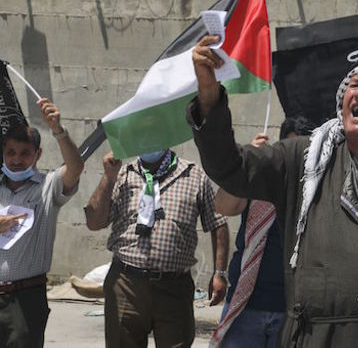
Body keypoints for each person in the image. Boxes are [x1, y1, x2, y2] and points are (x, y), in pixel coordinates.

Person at [189, 38, 358, 347]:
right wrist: (209, 96)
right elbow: (230, 167)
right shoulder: (300, 159)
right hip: (310, 337)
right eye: (353, 84)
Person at [84, 148, 230, 348]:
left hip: (174, 287)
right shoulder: (123, 174)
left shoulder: (193, 174)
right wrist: (108, 178)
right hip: (126, 285)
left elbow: (218, 223)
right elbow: (94, 222)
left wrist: (219, 273)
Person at [211, 116, 315, 348]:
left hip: (294, 311)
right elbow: (223, 207)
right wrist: (245, 165)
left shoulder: (321, 188)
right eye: (291, 149)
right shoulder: (263, 177)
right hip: (247, 305)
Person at [0, 98, 84, 347]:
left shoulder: (49, 186)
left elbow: (76, 167)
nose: (16, 159)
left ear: (38, 155)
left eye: (25, 153)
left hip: (24, 298)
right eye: (11, 153)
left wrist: (58, 130)